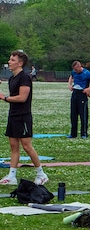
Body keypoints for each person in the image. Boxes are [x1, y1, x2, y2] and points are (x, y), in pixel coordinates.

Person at [0, 50, 49, 186]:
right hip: (13, 115)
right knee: (13, 146)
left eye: (13, 60)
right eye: (10, 59)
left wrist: (4, 98)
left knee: (27, 146)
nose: (9, 62)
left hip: (23, 116)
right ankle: (12, 176)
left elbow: (22, 98)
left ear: (20, 63)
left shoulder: (24, 77)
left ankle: (41, 174)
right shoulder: (12, 78)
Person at [68, 60, 90, 138]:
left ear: (80, 66)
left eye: (76, 69)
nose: (75, 71)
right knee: (73, 114)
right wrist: (69, 84)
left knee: (83, 115)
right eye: (74, 69)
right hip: (75, 93)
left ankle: (84, 133)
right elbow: (71, 77)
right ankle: (73, 134)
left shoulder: (87, 73)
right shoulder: (74, 72)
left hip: (82, 93)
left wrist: (89, 89)